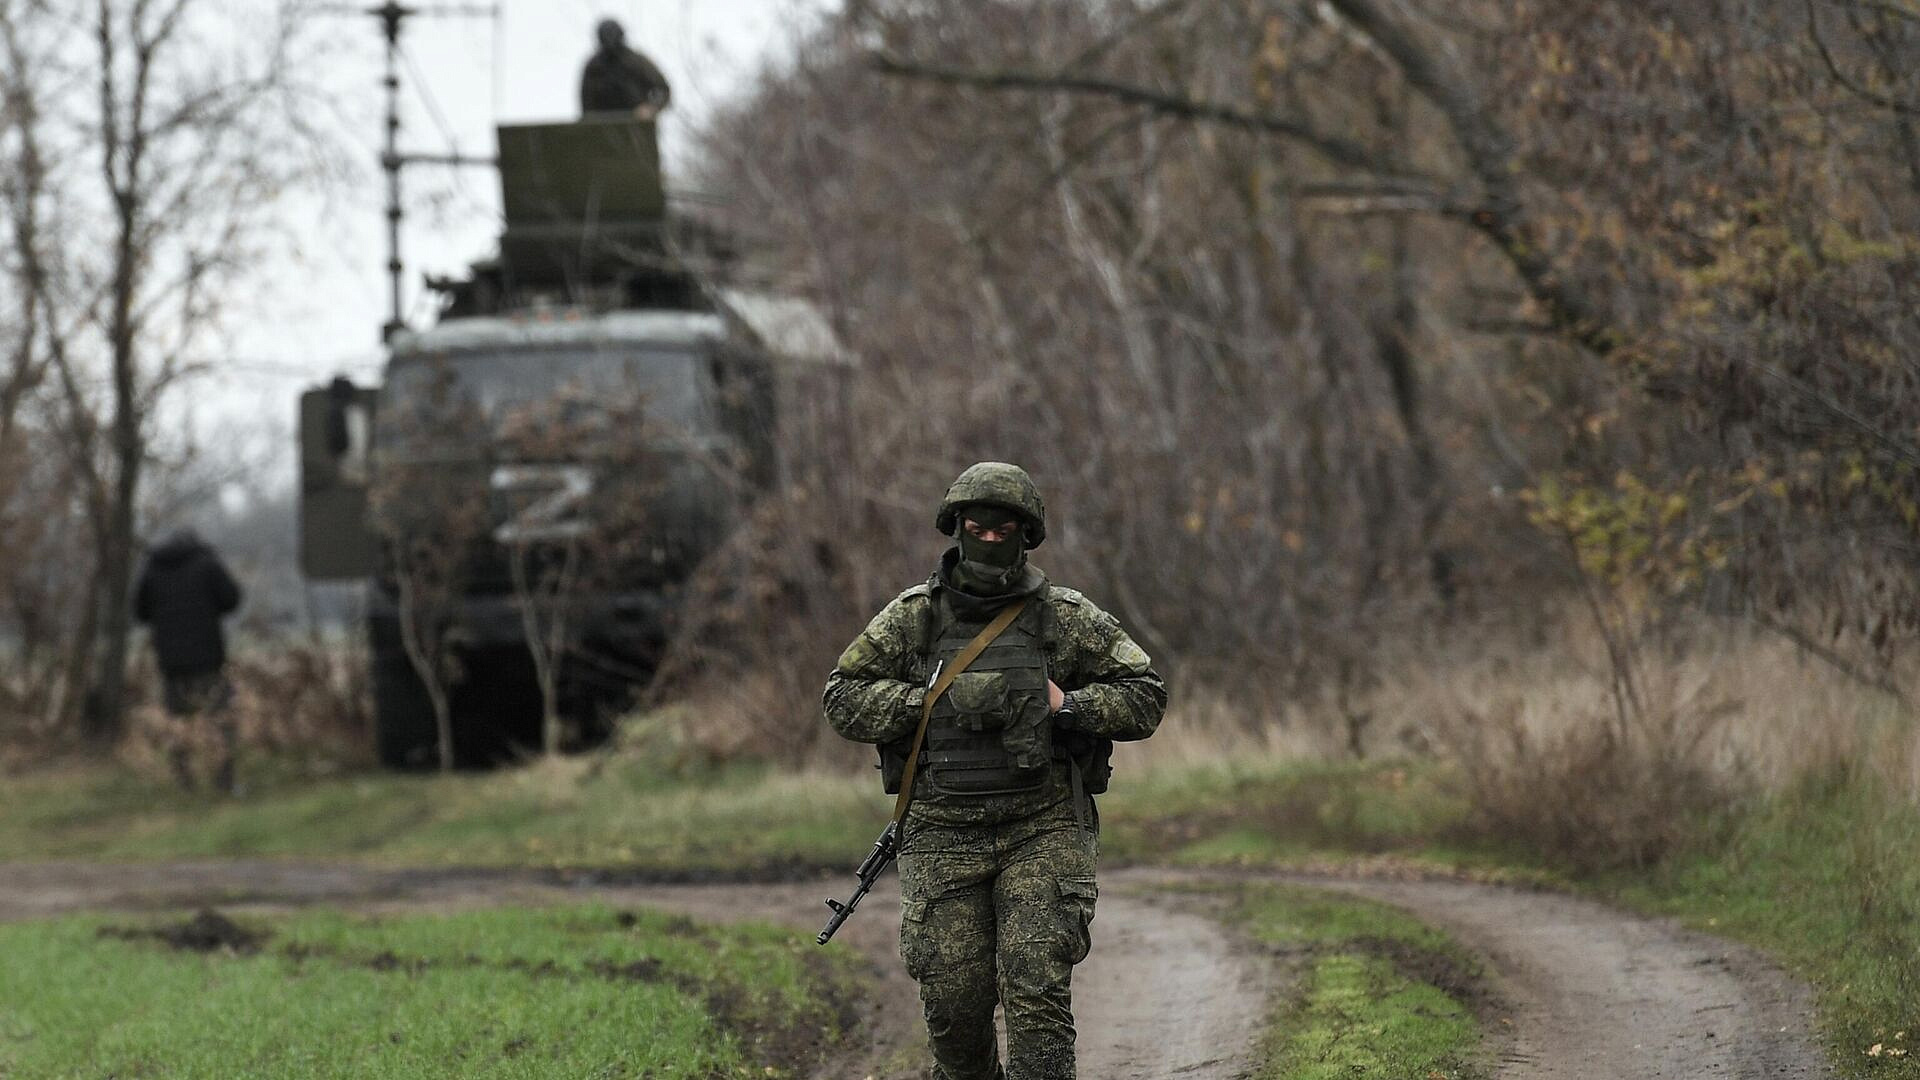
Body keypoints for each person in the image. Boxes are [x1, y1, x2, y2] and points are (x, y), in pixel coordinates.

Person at [823, 462, 1167, 1080]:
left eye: (1002, 530)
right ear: (956, 528)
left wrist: (1071, 707)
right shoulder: (914, 619)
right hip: (939, 830)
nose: (988, 540)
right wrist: (921, 704)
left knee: (1036, 989)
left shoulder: (1063, 616)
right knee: (954, 1005)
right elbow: (843, 696)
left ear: (1025, 535)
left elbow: (1145, 694)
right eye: (976, 528)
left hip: (1043, 826)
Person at [133, 528, 243, 793]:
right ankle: (224, 782)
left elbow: (138, 611)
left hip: (171, 664)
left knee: (178, 723)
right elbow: (231, 599)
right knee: (219, 720)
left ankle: (184, 782)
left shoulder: (152, 567)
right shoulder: (207, 563)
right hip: (208, 659)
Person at [579, 18, 672, 118]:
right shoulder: (593, 66)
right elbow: (586, 102)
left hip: (637, 125)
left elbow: (662, 89)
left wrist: (650, 108)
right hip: (602, 126)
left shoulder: (636, 62)